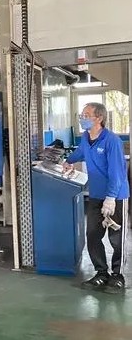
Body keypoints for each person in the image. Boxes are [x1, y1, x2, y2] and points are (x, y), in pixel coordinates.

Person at [63, 102, 129, 293]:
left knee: (116, 238)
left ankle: (117, 276)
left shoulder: (112, 141)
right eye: (82, 115)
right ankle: (101, 273)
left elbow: (117, 172)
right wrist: (68, 161)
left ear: (99, 118)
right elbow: (80, 152)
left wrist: (111, 198)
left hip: (116, 197)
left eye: (86, 115)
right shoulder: (86, 137)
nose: (82, 118)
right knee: (93, 235)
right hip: (96, 195)